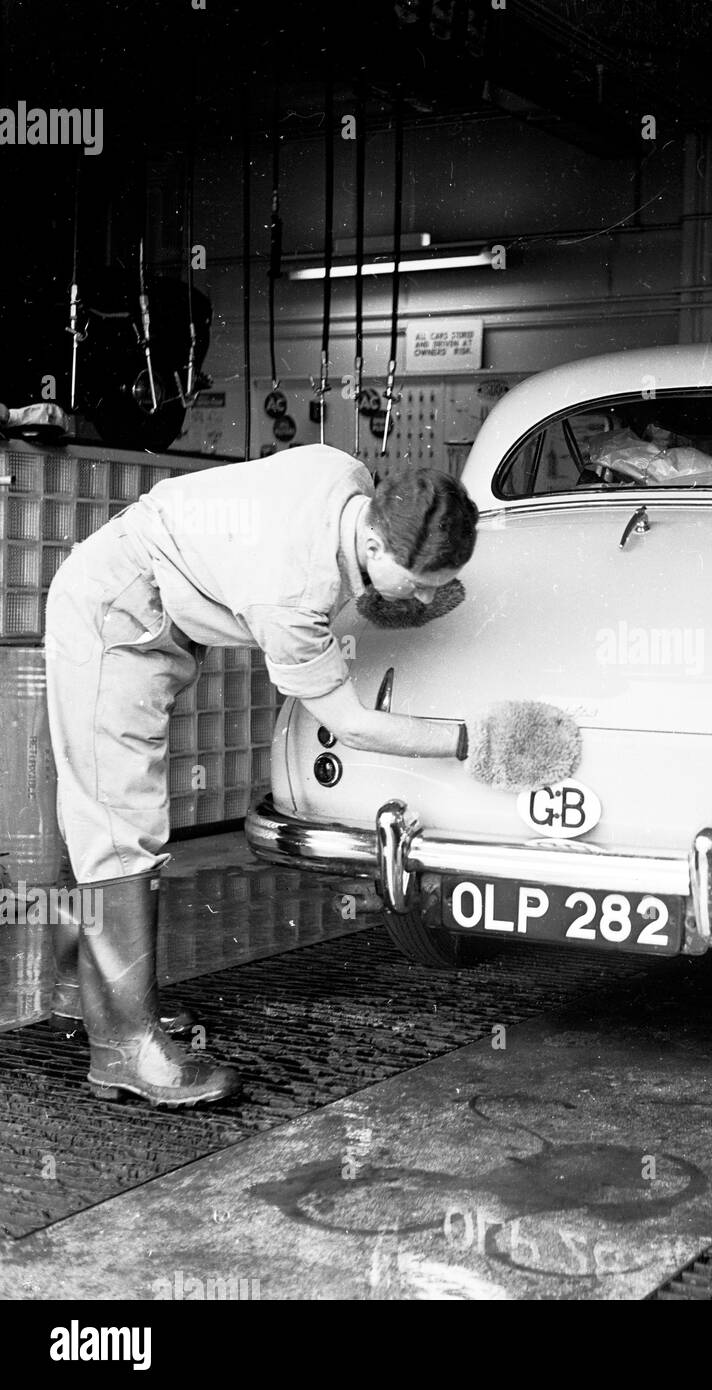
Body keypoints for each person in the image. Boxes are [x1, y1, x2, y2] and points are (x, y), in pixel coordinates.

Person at [44, 444, 478, 1107]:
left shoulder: (350, 479)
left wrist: (404, 595)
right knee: (117, 820)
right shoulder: (293, 592)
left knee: (100, 807)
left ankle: (85, 996)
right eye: (419, 582)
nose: (426, 597)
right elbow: (354, 724)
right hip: (115, 610)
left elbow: (360, 582)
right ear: (372, 539)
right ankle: (122, 1049)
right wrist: (470, 742)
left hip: (147, 589)